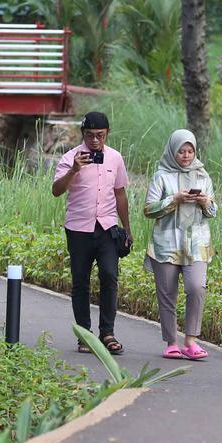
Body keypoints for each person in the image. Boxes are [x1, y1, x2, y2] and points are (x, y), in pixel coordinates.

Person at [52, 111, 132, 355]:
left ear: (107, 133)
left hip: (107, 227)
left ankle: (107, 333)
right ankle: (84, 336)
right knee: (80, 281)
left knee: (109, 276)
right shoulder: (70, 158)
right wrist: (74, 170)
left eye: (100, 135)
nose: (95, 141)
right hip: (78, 228)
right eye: (89, 135)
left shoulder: (115, 158)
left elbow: (120, 193)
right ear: (82, 134)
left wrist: (127, 229)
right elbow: (56, 190)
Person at [144, 129, 216, 360]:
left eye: (190, 151)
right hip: (167, 243)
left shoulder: (203, 176)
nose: (186, 156)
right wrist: (173, 200)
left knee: (197, 288)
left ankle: (191, 341)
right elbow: (148, 209)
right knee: (167, 293)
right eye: (181, 151)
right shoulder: (161, 176)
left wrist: (205, 202)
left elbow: (213, 211)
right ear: (172, 151)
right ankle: (172, 342)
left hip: (196, 244)